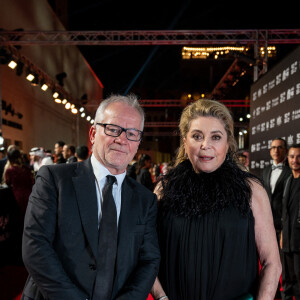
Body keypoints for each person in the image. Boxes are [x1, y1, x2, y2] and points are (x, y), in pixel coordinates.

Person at [21, 94, 160, 300]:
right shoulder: (54, 179)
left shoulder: (145, 200)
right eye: (113, 129)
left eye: (132, 133)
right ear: (94, 133)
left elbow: (148, 260)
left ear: (138, 143)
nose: (122, 140)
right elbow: (35, 246)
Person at [151, 99, 281, 300]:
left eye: (216, 137)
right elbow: (146, 256)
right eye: (197, 136)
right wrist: (161, 297)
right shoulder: (164, 190)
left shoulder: (251, 190)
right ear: (185, 141)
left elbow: (271, 262)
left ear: (227, 143)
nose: (206, 145)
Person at [262, 138, 291, 244]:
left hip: (283, 222)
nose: (276, 151)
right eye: (273, 147)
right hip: (267, 221)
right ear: (270, 151)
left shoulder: (291, 171)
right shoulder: (266, 170)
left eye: (280, 147)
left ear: (286, 151)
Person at [280, 144, 300, 299]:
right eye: (292, 156)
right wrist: (282, 235)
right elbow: (285, 212)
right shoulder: (288, 181)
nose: (295, 160)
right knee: (286, 277)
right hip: (287, 236)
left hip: (299, 238)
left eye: (299, 156)